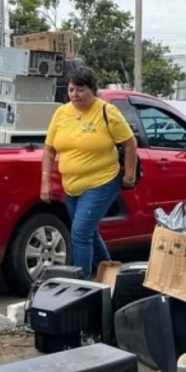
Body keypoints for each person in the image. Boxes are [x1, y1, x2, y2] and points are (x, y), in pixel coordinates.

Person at [41, 67, 138, 278]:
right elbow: (49, 151)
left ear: (92, 90)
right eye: (71, 89)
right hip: (72, 185)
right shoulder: (61, 113)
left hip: (102, 181)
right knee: (89, 232)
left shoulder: (106, 111)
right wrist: (45, 181)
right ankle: (112, 276)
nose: (75, 94)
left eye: (81, 89)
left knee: (81, 232)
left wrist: (129, 175)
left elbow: (130, 144)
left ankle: (81, 286)